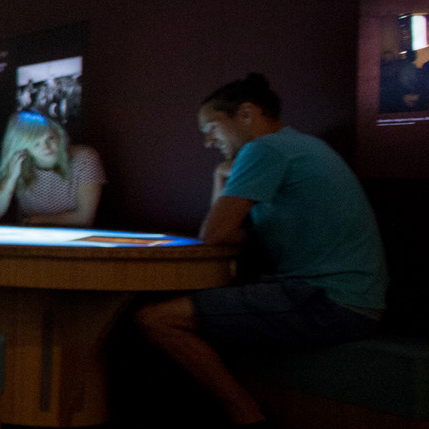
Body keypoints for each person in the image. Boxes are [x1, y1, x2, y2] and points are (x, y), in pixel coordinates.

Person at [134, 74, 387, 428]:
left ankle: (248, 417)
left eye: (213, 128)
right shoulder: (297, 146)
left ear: (247, 114)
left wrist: (219, 183)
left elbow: (214, 234)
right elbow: (232, 238)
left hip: (329, 301)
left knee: (155, 319)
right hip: (352, 298)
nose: (208, 142)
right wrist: (222, 182)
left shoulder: (264, 149)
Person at [0, 111, 104, 226]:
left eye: (50, 138)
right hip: (31, 240)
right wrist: (10, 178)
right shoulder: (18, 163)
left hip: (74, 239)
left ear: (58, 135)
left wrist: (38, 220)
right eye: (36, 144)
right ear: (23, 147)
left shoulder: (84, 158)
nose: (46, 147)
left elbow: (85, 218)